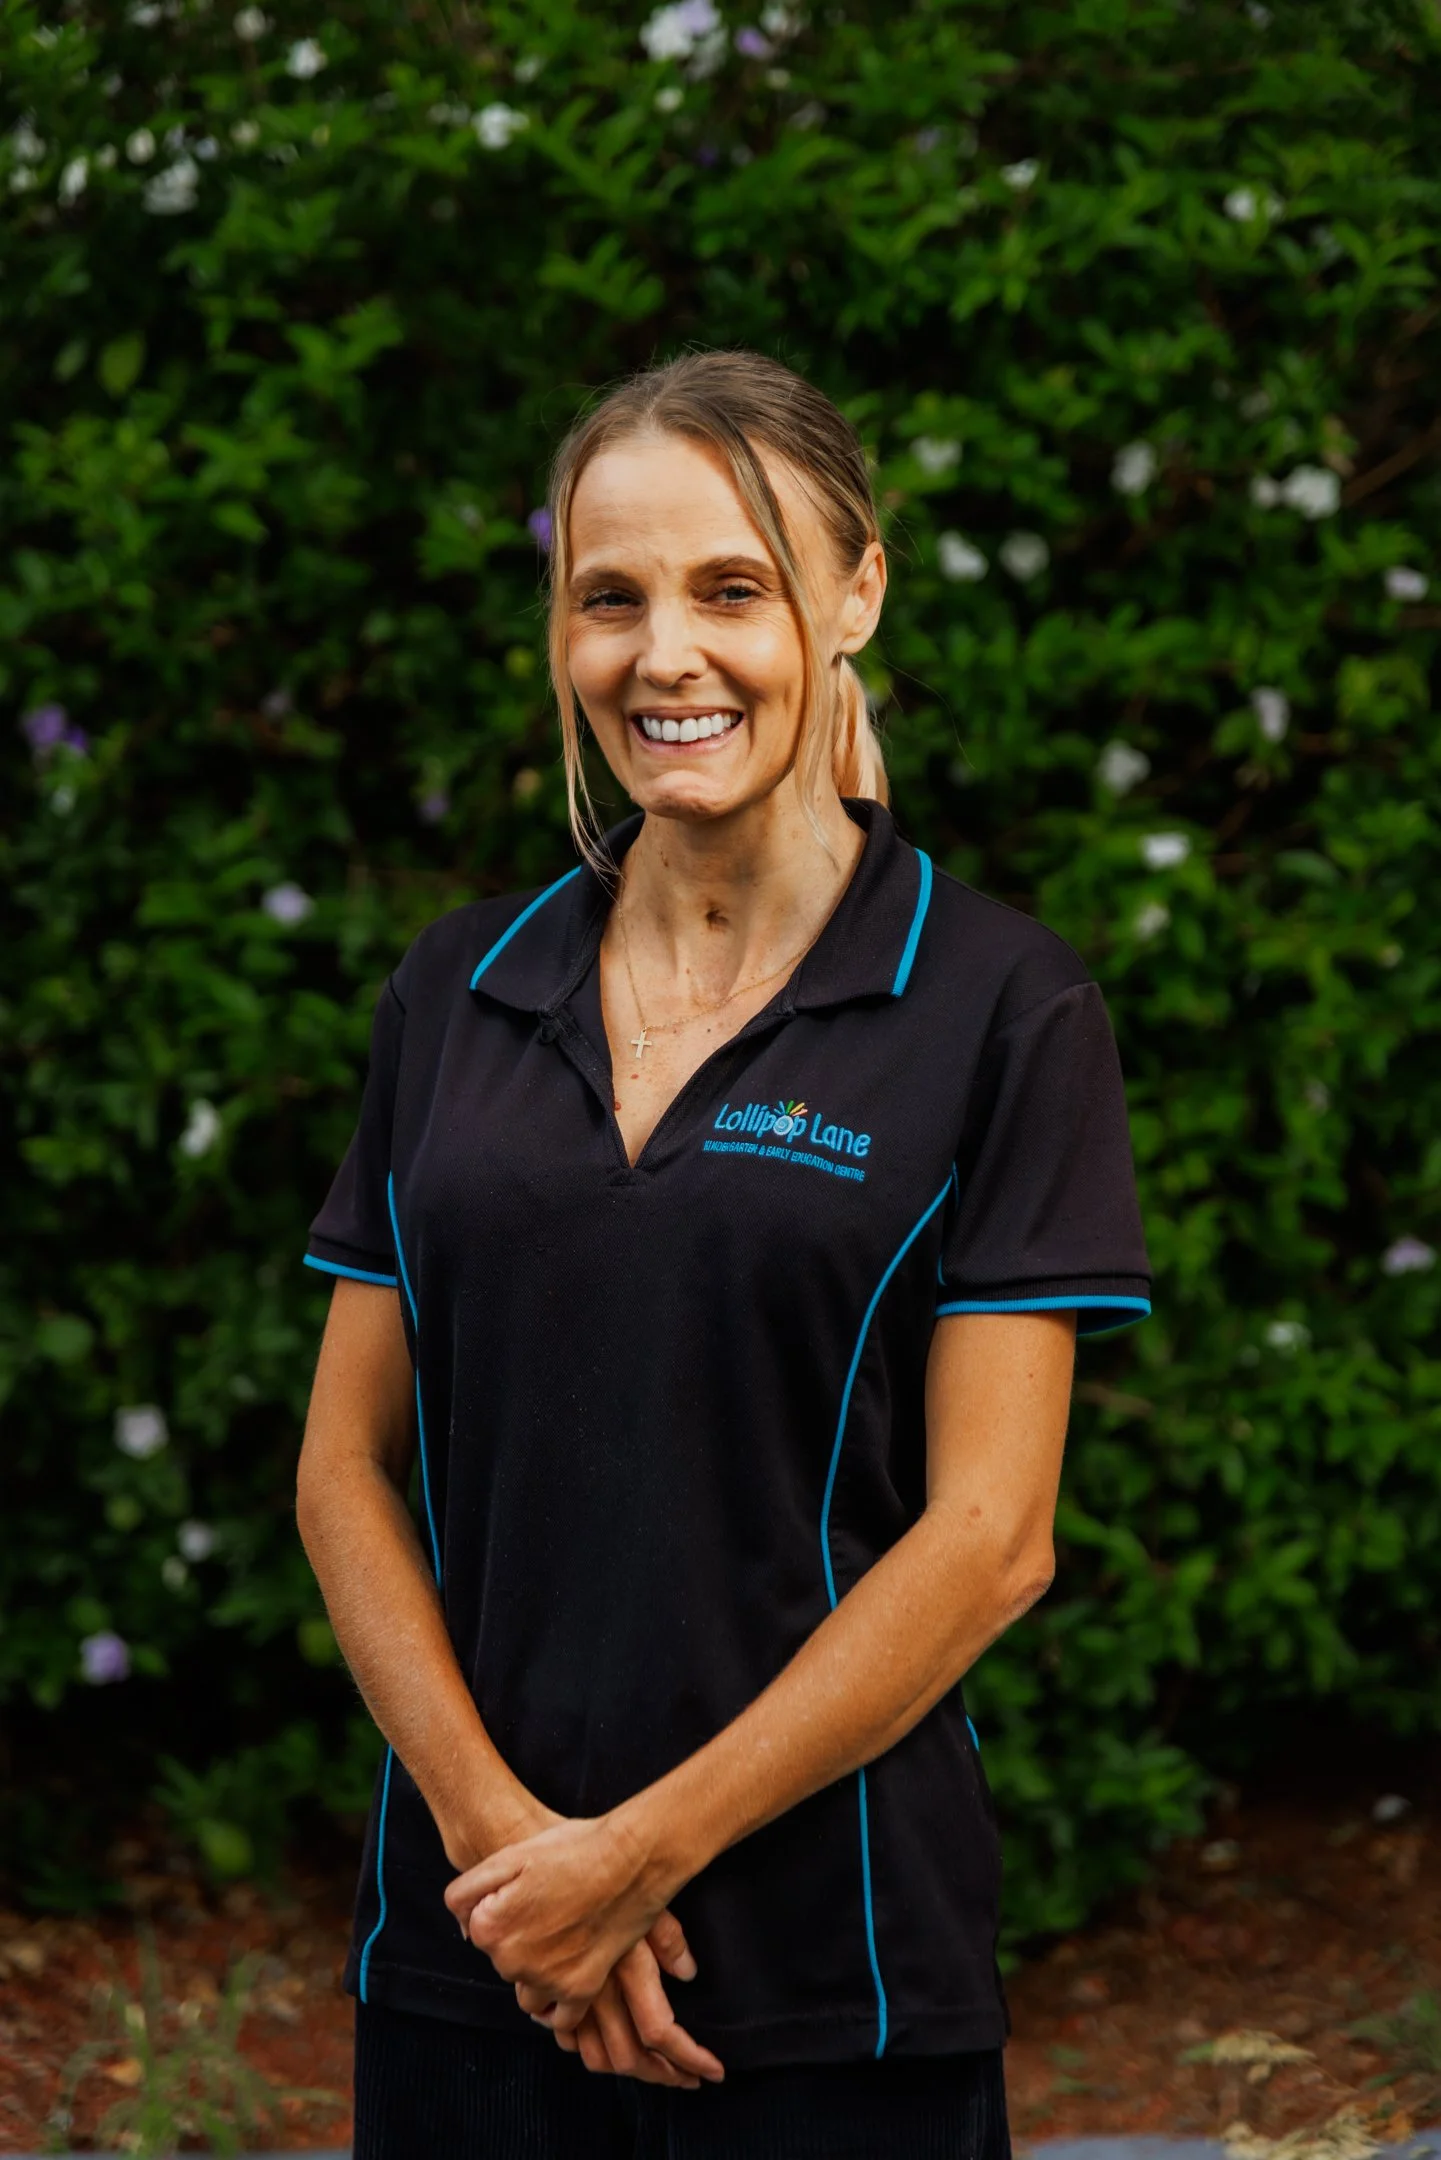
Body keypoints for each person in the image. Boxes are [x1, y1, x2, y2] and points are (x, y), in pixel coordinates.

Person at [296, 348, 1152, 2159]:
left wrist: (633, 1860)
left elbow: (992, 1538)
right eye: (611, 598)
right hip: (472, 1955)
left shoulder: (999, 1006)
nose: (663, 654)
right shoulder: (457, 988)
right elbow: (342, 1470)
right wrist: (511, 1858)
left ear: (855, 595)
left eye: (733, 588)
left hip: (834, 1981)